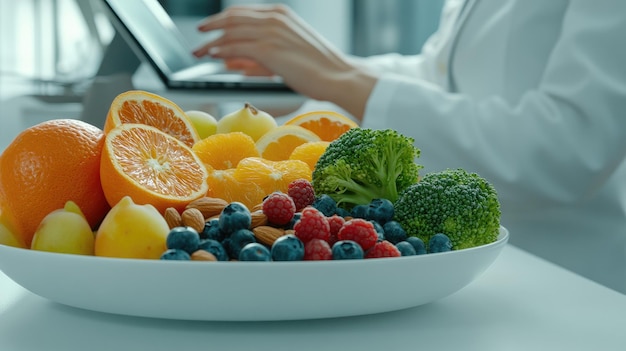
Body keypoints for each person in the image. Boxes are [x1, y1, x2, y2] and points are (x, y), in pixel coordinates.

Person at [193, 0, 626, 294]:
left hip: (570, 288)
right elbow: (440, 74)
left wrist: (341, 78)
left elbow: (568, 145)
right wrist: (316, 68)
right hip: (465, 280)